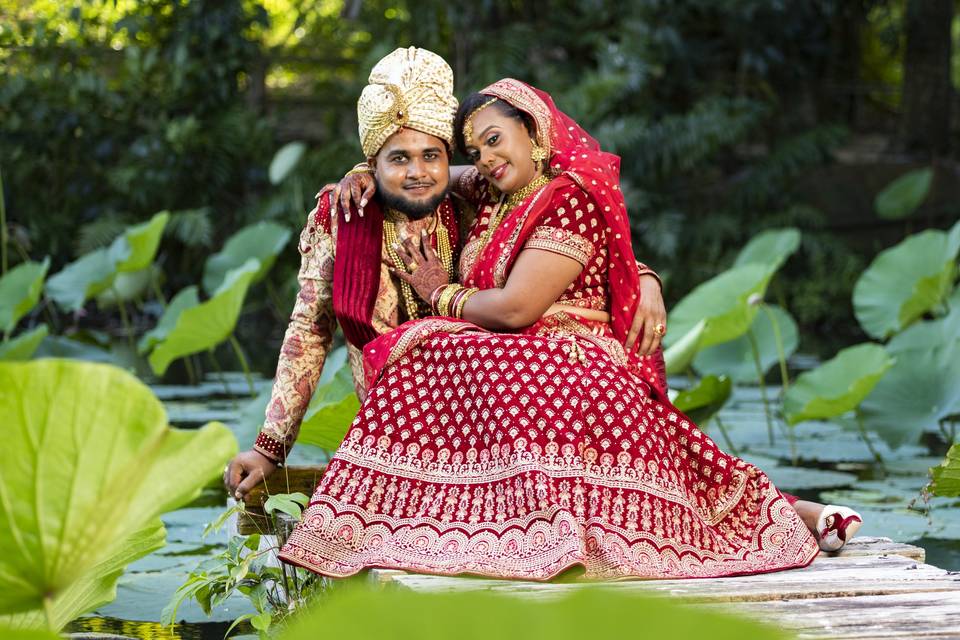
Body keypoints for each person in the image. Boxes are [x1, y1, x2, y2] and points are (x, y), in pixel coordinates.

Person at [272, 79, 861, 581]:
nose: (473, 161)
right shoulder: (429, 200)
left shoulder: (524, 197)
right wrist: (364, 171)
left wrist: (438, 293)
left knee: (432, 342)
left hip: (539, 363)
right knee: (687, 471)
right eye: (474, 150)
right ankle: (804, 514)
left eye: (487, 143)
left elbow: (543, 286)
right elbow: (313, 321)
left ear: (535, 133)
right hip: (494, 380)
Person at [225, 49, 668, 503]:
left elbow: (578, 217)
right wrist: (270, 450)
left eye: (431, 156)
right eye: (398, 159)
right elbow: (308, 333)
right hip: (398, 424)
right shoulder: (342, 215)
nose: (418, 173)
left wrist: (643, 276)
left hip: (501, 409)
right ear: (373, 165)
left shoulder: (473, 198)